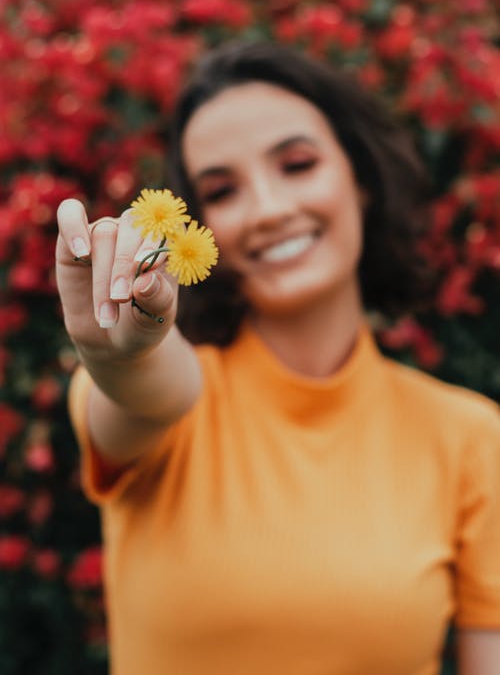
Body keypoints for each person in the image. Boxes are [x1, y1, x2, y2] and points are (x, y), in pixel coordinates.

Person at [56, 41, 500, 675]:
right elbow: (148, 387)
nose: (267, 210)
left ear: (360, 179)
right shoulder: (163, 393)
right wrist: (128, 351)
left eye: (296, 164)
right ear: (196, 222)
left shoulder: (473, 440)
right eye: (223, 190)